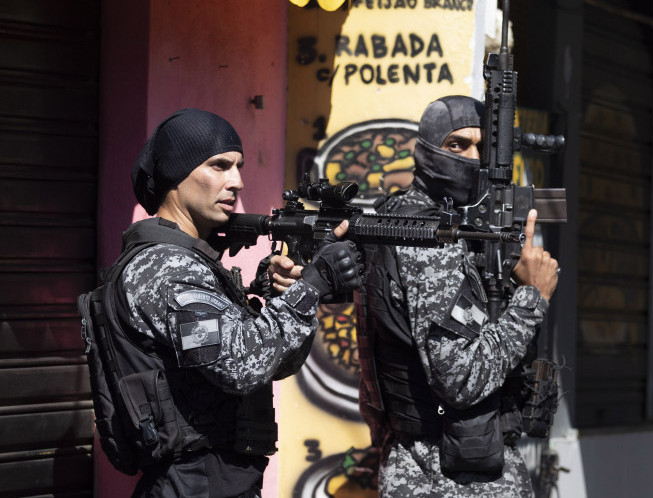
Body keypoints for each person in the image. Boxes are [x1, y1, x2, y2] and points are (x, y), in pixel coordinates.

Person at [109, 108, 362, 497]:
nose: (237, 181)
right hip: (190, 482)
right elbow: (242, 367)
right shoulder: (166, 266)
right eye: (219, 166)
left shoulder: (192, 262)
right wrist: (313, 283)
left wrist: (283, 293)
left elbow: (273, 365)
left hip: (218, 480)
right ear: (177, 175)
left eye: (239, 167)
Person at [355, 95, 560, 497]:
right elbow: (461, 380)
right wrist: (532, 298)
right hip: (447, 474)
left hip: (440, 466)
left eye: (482, 148)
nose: (471, 158)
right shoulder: (430, 237)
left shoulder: (403, 218)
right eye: (457, 145)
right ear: (427, 149)